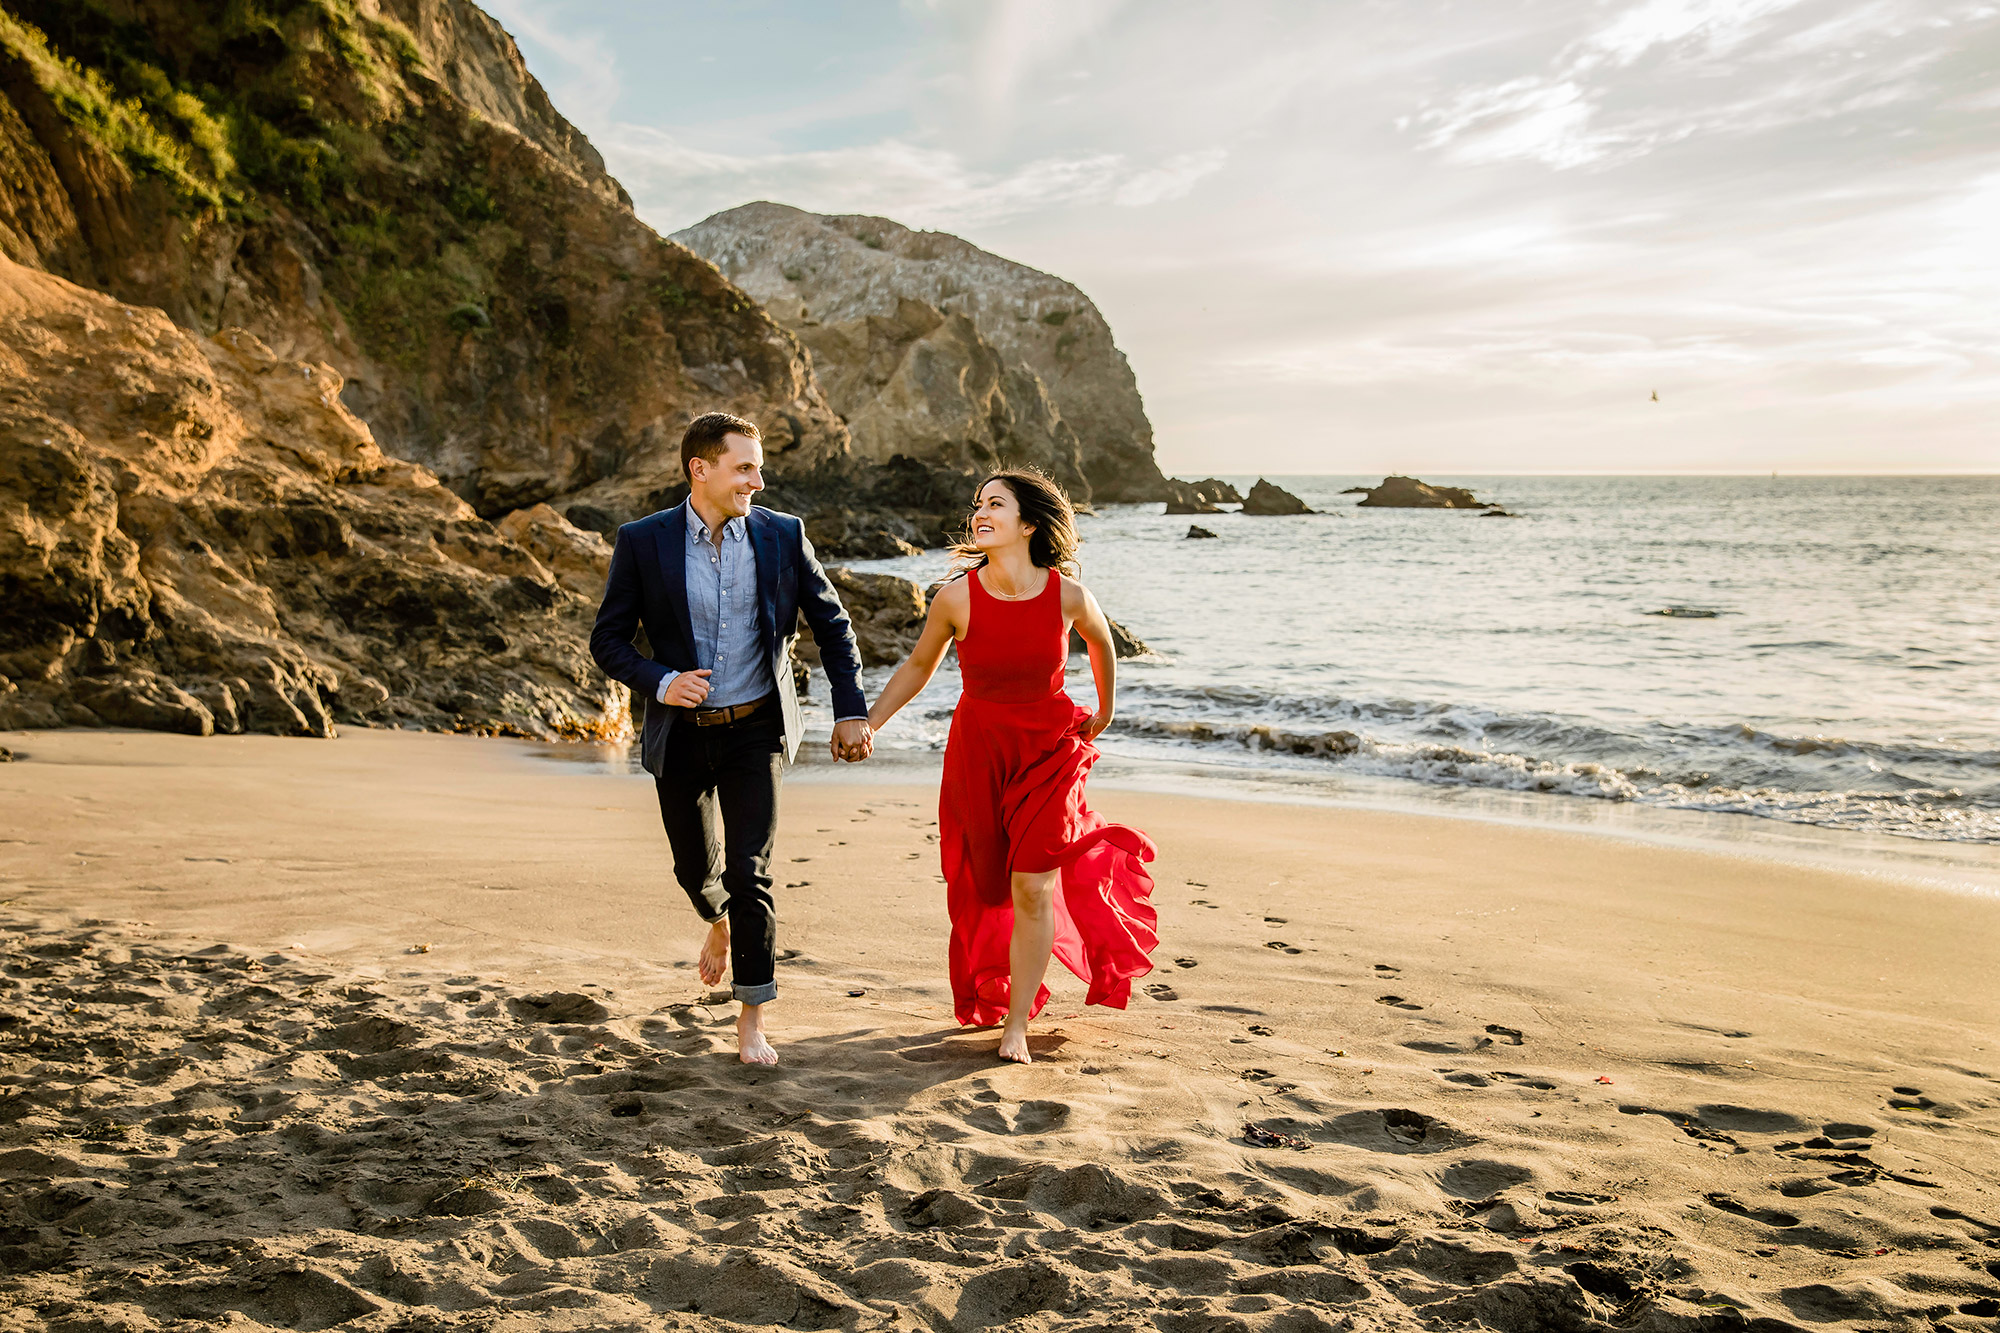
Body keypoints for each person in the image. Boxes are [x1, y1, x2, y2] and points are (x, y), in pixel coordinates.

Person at [589, 412, 873, 1065]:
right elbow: (608, 639)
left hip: (756, 732)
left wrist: (850, 710)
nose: (758, 479)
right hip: (681, 735)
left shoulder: (782, 536)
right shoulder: (643, 541)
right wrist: (661, 680)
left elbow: (833, 625)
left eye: (758, 466)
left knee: (752, 873)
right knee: (698, 871)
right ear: (701, 469)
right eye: (745, 466)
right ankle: (714, 919)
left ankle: (752, 1020)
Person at [866, 469, 1158, 1063]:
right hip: (980, 751)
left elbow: (1103, 643)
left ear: (1027, 523)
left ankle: (1017, 1024)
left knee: (1031, 884)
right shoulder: (955, 597)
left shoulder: (1067, 595)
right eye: (978, 503)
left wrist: (1104, 708)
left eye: (995, 503)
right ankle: (1001, 989)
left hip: (1050, 750)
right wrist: (869, 723)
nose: (980, 511)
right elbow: (920, 667)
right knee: (987, 884)